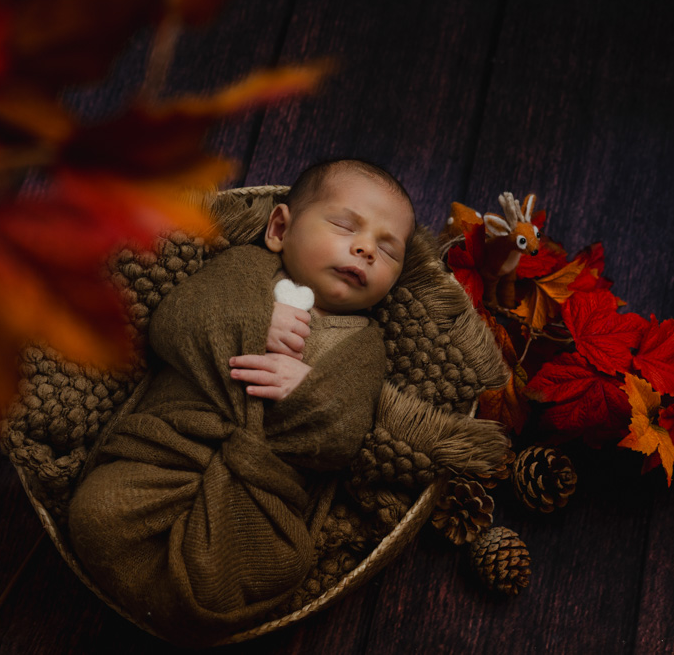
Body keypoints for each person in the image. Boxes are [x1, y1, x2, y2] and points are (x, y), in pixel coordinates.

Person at [68, 159, 415, 645]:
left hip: (258, 485)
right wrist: (250, 328)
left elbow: (344, 436)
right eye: (344, 225)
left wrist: (307, 390)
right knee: (99, 511)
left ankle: (194, 604)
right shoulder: (243, 270)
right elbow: (171, 325)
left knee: (279, 566)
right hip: (171, 450)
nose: (365, 249)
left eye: (388, 249)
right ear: (278, 229)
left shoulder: (365, 345)